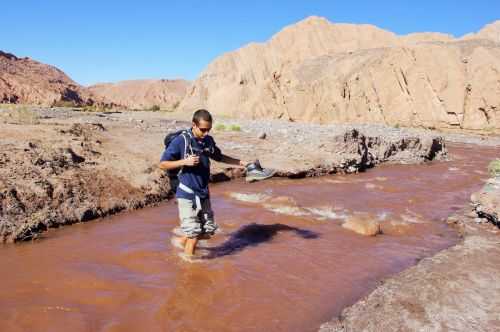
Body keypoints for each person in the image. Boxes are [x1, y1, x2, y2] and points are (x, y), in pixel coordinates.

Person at [159, 109, 248, 258]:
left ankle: (180, 241)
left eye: (209, 129)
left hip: (203, 193)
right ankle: (188, 266)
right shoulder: (182, 141)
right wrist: (185, 161)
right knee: (194, 235)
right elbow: (162, 164)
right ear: (193, 125)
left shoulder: (208, 140)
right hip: (186, 192)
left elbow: (220, 157)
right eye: (203, 129)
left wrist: (243, 163)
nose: (206, 133)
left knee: (207, 232)